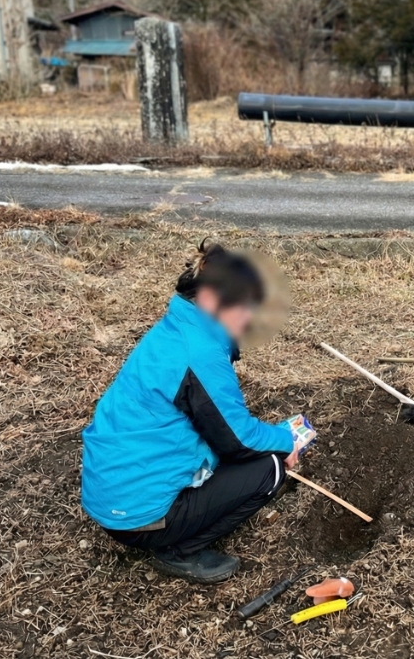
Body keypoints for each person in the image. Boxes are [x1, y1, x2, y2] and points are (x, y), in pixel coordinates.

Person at [81, 242, 298, 583]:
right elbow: (238, 441)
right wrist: (287, 441)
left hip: (111, 499)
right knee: (267, 468)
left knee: (241, 450)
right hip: (140, 519)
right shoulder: (200, 352)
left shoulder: (174, 331)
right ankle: (179, 551)